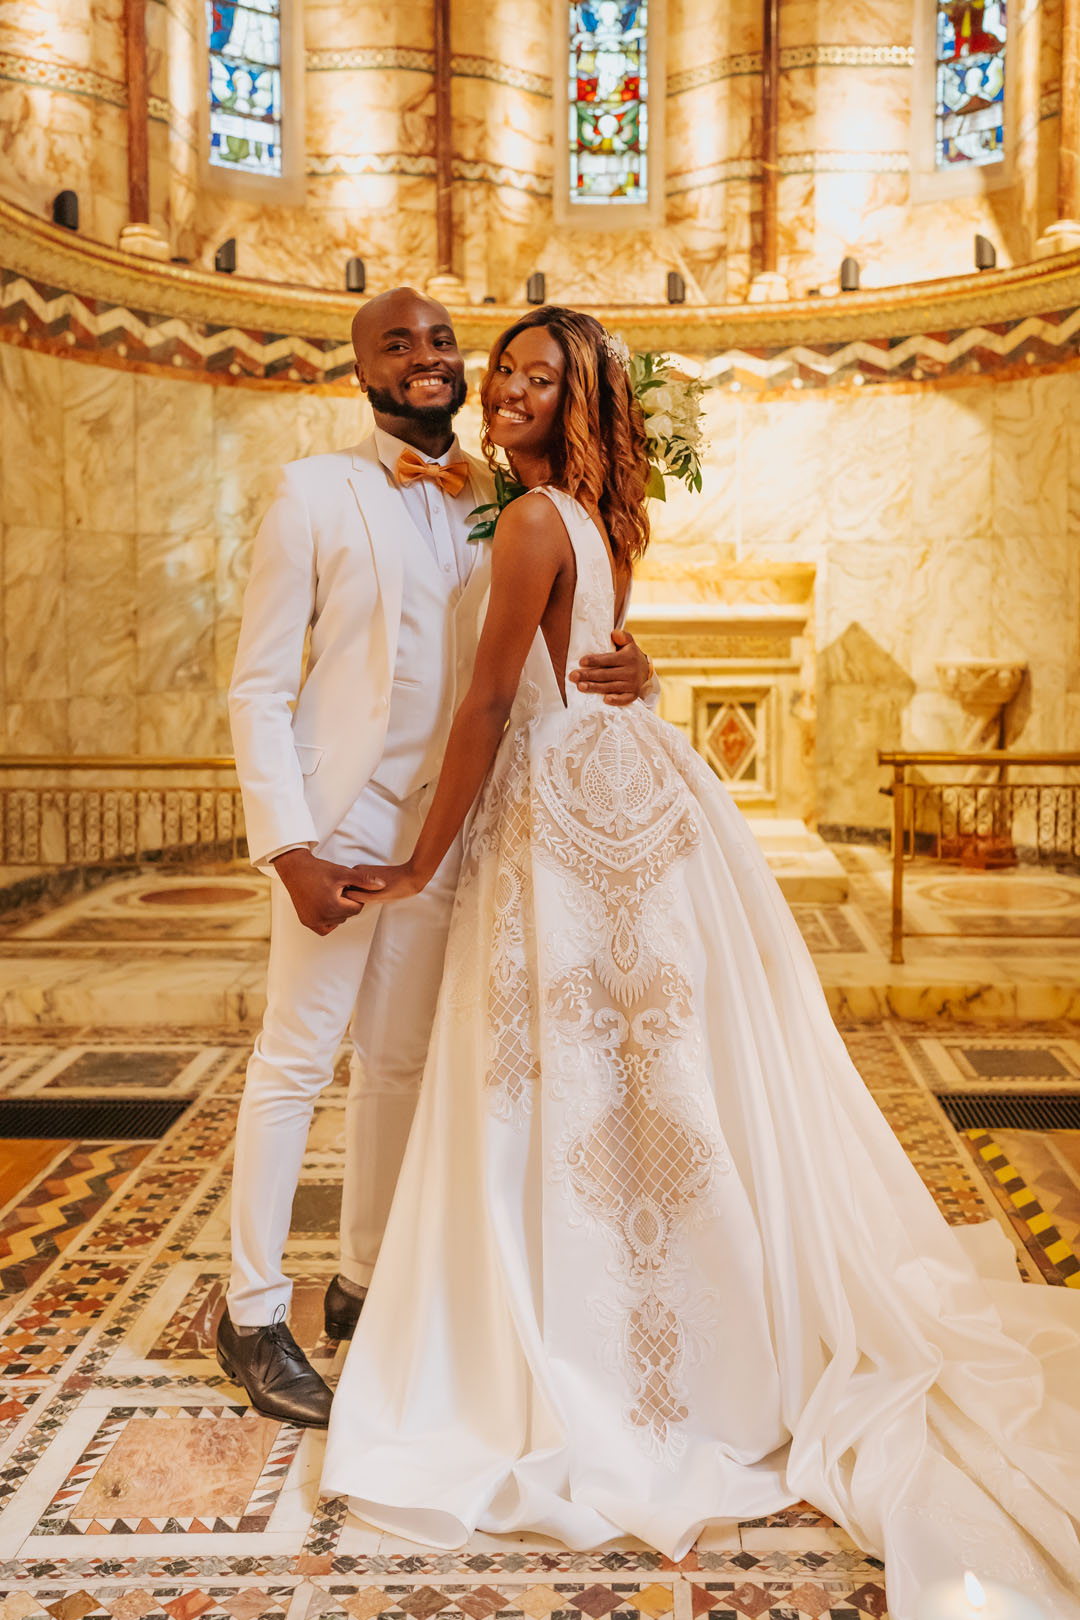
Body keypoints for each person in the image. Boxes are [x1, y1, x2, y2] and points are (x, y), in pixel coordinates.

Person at [322, 307, 1080, 1619]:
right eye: (503, 370)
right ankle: (688, 1333)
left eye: (537, 377)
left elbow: (494, 707)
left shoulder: (538, 524)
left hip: (558, 821)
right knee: (643, 1090)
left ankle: (592, 1352)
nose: (506, 388)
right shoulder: (593, 520)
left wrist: (421, 860)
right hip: (624, 803)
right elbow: (595, 662)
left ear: (578, 403)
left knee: (565, 1088)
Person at [218, 289, 654, 1428]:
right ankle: (252, 1314)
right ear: (360, 367)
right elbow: (261, 685)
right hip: (340, 828)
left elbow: (543, 648)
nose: (427, 357)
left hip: (448, 833)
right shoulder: (315, 492)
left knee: (401, 1066)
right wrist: (289, 844)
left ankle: (364, 1282)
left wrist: (630, 663)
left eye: (442, 341)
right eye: (396, 343)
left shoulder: (511, 499)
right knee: (294, 1064)